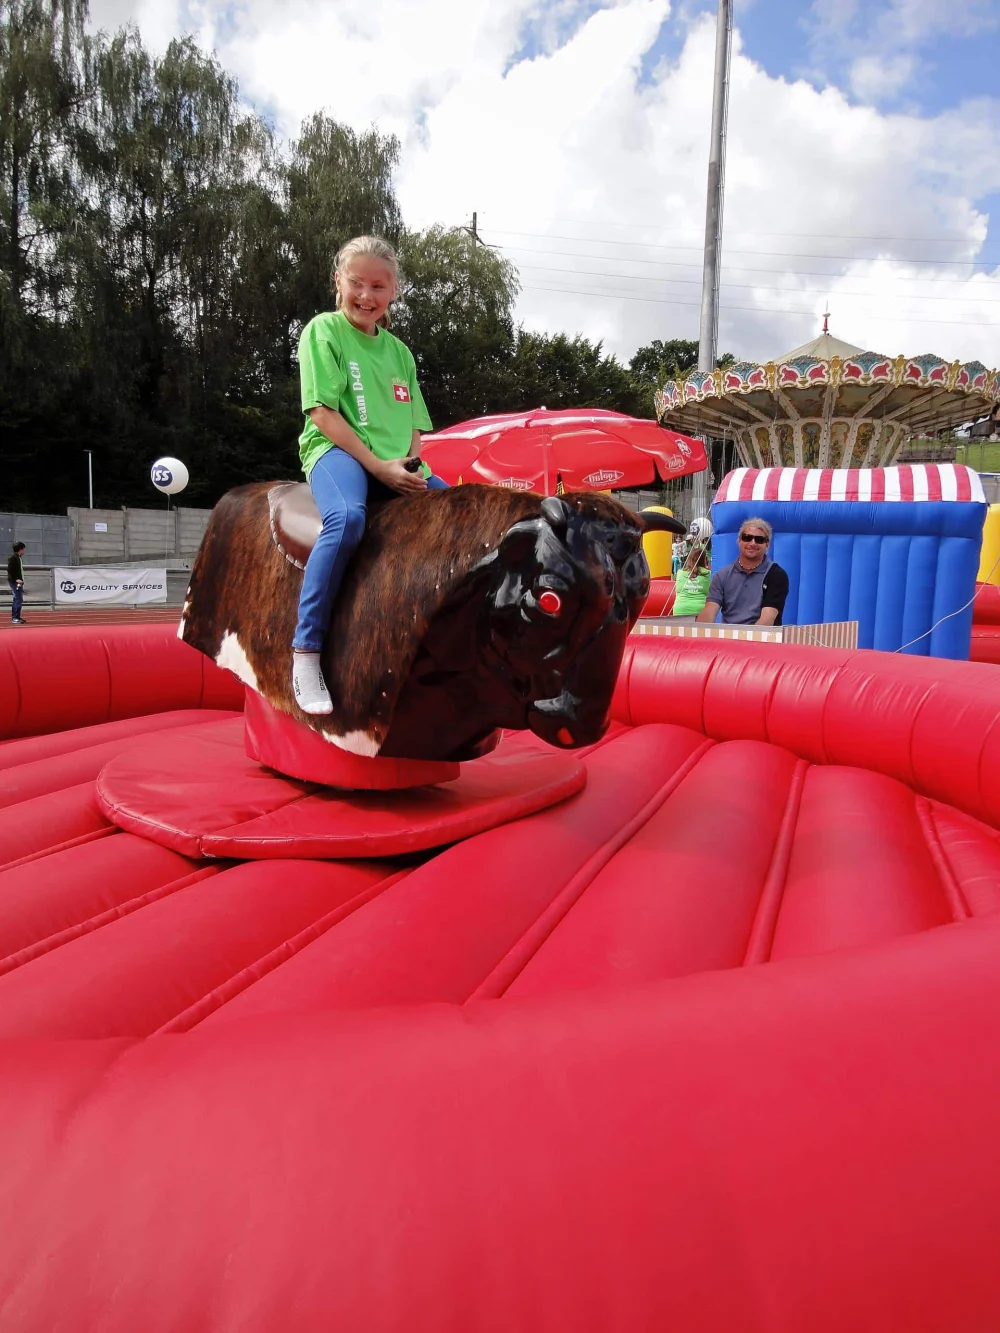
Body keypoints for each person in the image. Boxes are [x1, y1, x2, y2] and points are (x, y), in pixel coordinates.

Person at [290, 235, 447, 715]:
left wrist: (411, 467)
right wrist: (378, 467)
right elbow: (322, 413)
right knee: (347, 520)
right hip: (337, 451)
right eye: (356, 283)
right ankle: (306, 653)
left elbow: (416, 425)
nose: (366, 295)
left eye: (378, 285)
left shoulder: (400, 352)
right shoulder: (324, 331)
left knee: (467, 516)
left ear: (394, 290)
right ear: (338, 281)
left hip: (394, 462)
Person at [696, 517, 788, 626]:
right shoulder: (722, 576)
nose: (752, 543)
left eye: (759, 539)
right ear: (739, 540)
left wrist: (743, 642)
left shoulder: (776, 575)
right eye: (747, 538)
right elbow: (709, 613)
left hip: (762, 640)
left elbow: (767, 620)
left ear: (767, 544)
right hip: (728, 639)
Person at [671, 541, 712, 616]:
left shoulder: (680, 573)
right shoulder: (708, 574)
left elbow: (677, 590)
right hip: (700, 609)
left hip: (680, 609)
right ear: (704, 560)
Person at [7, 542, 26, 625]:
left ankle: (17, 616)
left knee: (18, 599)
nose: (24, 551)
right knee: (18, 599)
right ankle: (15, 617)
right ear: (20, 549)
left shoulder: (18, 557)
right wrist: (16, 580)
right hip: (15, 582)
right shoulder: (13, 558)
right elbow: (10, 571)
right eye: (23, 549)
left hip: (19, 582)